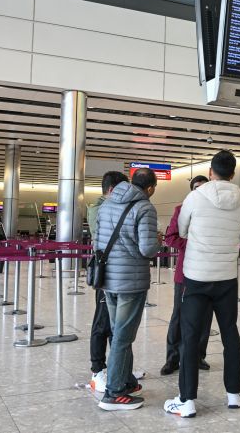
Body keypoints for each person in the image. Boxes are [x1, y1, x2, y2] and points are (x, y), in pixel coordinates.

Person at [164, 150, 240, 418]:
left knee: (190, 336)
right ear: (233, 173)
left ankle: (186, 400)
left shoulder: (195, 196)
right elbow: (238, 234)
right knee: (229, 333)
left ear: (211, 172)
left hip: (197, 276)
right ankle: (234, 395)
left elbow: (183, 230)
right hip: (226, 278)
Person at [96, 168, 160, 411]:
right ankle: (113, 393)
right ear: (151, 188)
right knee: (123, 336)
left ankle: (127, 380)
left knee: (118, 332)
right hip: (130, 281)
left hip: (108, 277)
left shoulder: (107, 204)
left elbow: (97, 240)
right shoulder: (145, 208)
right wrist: (158, 242)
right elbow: (147, 249)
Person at [161, 175, 213, 376]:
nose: (199, 192)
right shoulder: (180, 210)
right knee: (179, 315)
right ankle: (172, 358)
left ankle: (198, 356)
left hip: (209, 272)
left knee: (205, 316)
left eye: (203, 188)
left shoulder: (213, 212)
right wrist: (194, 245)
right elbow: (171, 238)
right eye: (196, 188)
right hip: (185, 272)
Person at [87, 171, 128, 393]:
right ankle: (97, 370)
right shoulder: (100, 209)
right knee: (102, 322)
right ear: (112, 190)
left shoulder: (110, 207)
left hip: (118, 273)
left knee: (116, 323)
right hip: (107, 272)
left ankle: (117, 365)